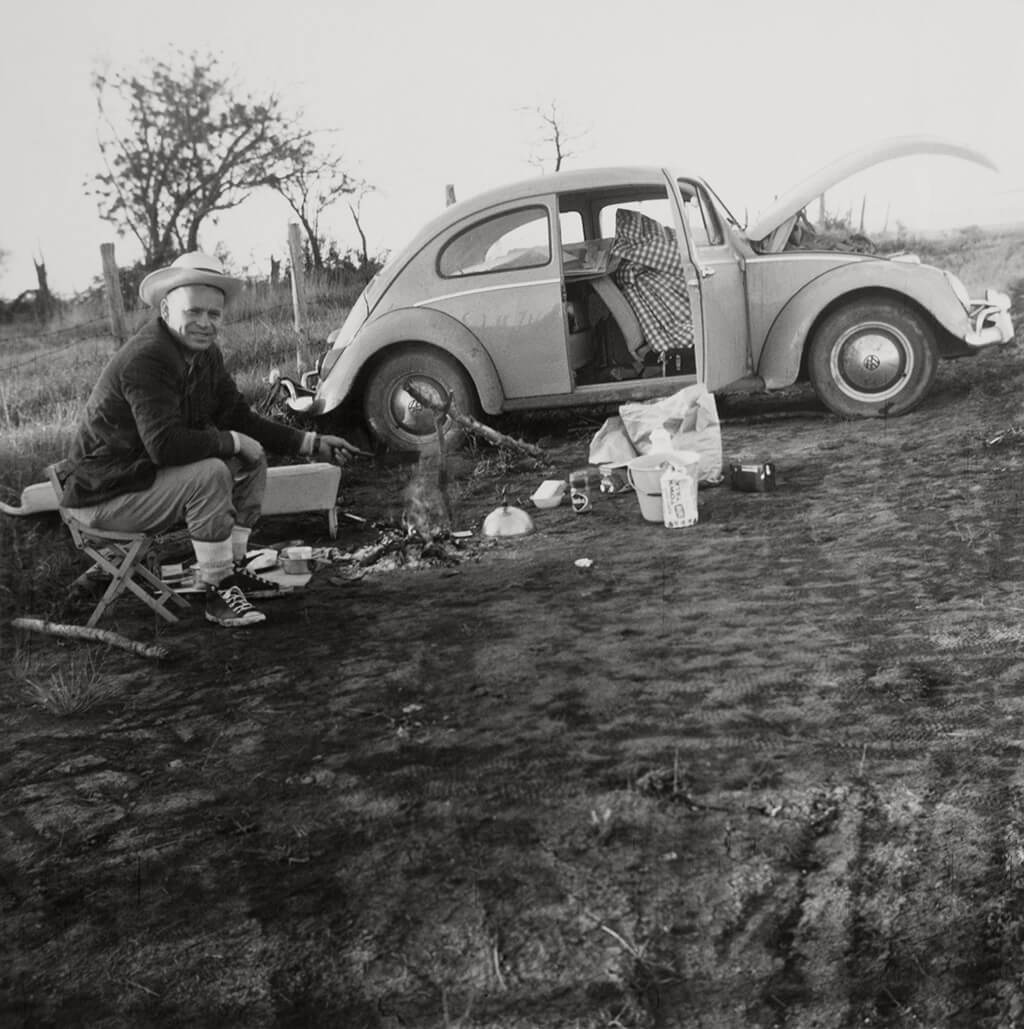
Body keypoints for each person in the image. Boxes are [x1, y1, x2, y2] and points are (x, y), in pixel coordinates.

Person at [59, 251, 361, 628]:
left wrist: (311, 443)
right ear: (167, 309)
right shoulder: (147, 359)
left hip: (139, 477)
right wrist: (232, 441)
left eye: (213, 314)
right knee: (211, 472)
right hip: (104, 495)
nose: (205, 323)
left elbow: (238, 417)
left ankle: (227, 572)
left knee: (251, 458)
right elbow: (165, 445)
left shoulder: (203, 356)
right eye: (193, 312)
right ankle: (217, 592)